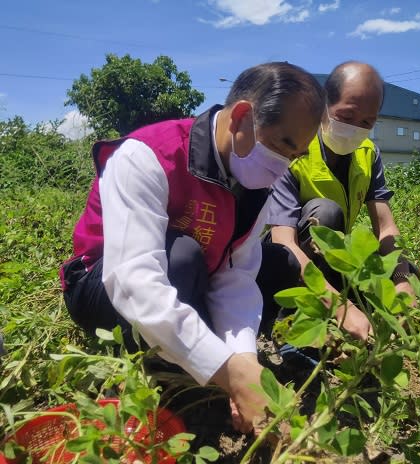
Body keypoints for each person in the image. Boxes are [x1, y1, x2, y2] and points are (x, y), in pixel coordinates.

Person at [59, 61, 325, 434]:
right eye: (283, 144)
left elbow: (237, 276)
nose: (283, 167)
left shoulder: (254, 184)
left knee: (274, 261)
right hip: (101, 286)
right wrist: (228, 372)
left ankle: (202, 364)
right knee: (181, 253)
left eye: (294, 156)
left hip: (189, 279)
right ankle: (170, 384)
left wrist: (243, 360)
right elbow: (134, 281)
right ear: (243, 117)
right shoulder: (148, 155)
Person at [259, 61, 415, 344]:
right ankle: (288, 323)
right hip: (280, 261)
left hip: (330, 259)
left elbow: (386, 227)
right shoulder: (295, 148)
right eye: (346, 116)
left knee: (375, 259)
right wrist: (341, 307)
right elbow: (284, 242)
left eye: (367, 122)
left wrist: (401, 277)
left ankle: (336, 301)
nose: (355, 128)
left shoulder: (368, 153)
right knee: (326, 212)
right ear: (323, 107)